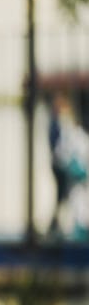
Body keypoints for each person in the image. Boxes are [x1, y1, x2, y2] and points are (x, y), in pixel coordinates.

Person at [49, 93, 89, 240]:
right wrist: (73, 167)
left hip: (84, 183)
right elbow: (60, 154)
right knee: (75, 207)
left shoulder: (82, 136)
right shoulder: (68, 133)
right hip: (74, 182)